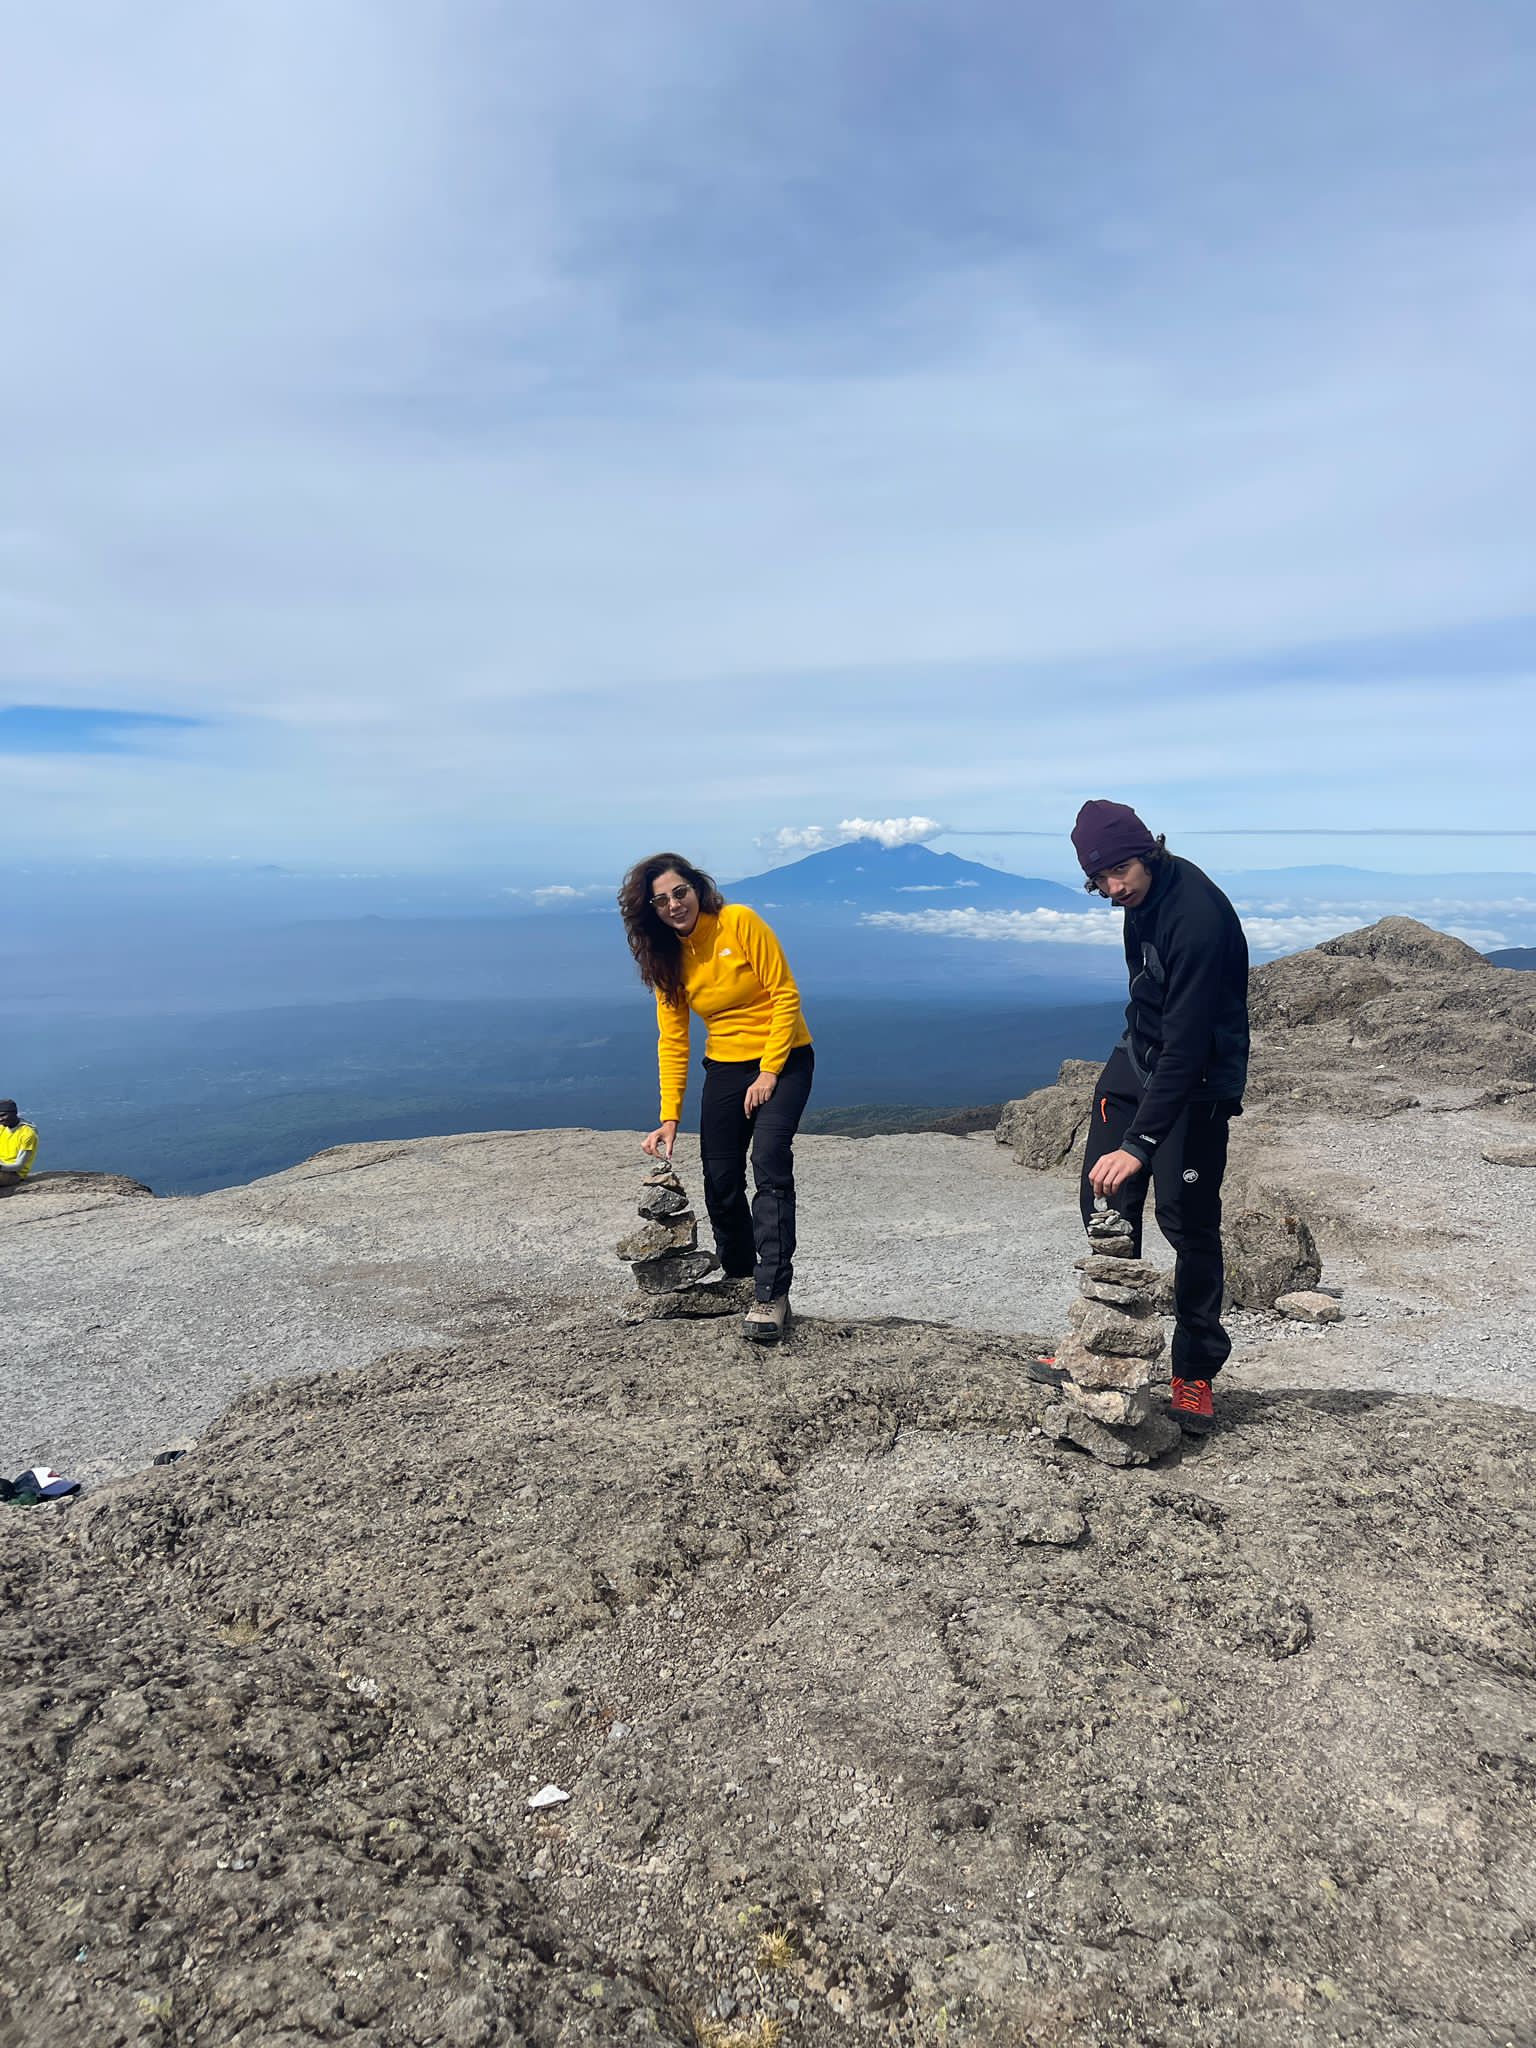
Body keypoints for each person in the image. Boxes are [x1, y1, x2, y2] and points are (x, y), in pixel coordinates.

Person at [1034, 801, 1249, 1435]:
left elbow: (1188, 1047)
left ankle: (1194, 1374)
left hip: (1198, 1081)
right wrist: (1126, 1125)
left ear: (1147, 852)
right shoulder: (1137, 904)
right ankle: (1104, 1352)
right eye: (1100, 879)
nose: (1113, 887)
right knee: (1103, 1196)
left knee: (1189, 1226)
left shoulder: (1198, 919)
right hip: (1140, 1059)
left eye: (1121, 870)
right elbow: (1146, 1003)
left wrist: (1142, 1142)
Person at [619, 853, 814, 1343]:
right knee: (720, 1176)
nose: (673, 904)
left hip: (785, 1057)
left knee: (768, 1162)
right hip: (725, 1067)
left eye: (679, 892)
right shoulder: (667, 958)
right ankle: (741, 1277)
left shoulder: (739, 922)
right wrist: (669, 1117)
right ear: (650, 912)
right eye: (660, 900)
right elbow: (674, 1039)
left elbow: (785, 994)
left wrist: (769, 1071)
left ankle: (772, 1295)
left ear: (698, 889)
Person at [0, 1101, 38, 1192]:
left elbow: (19, 1166)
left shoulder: (27, 1133)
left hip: (14, 1173)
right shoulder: (2, 1128)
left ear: (14, 1113)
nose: (0, 1119)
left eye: (3, 1115)